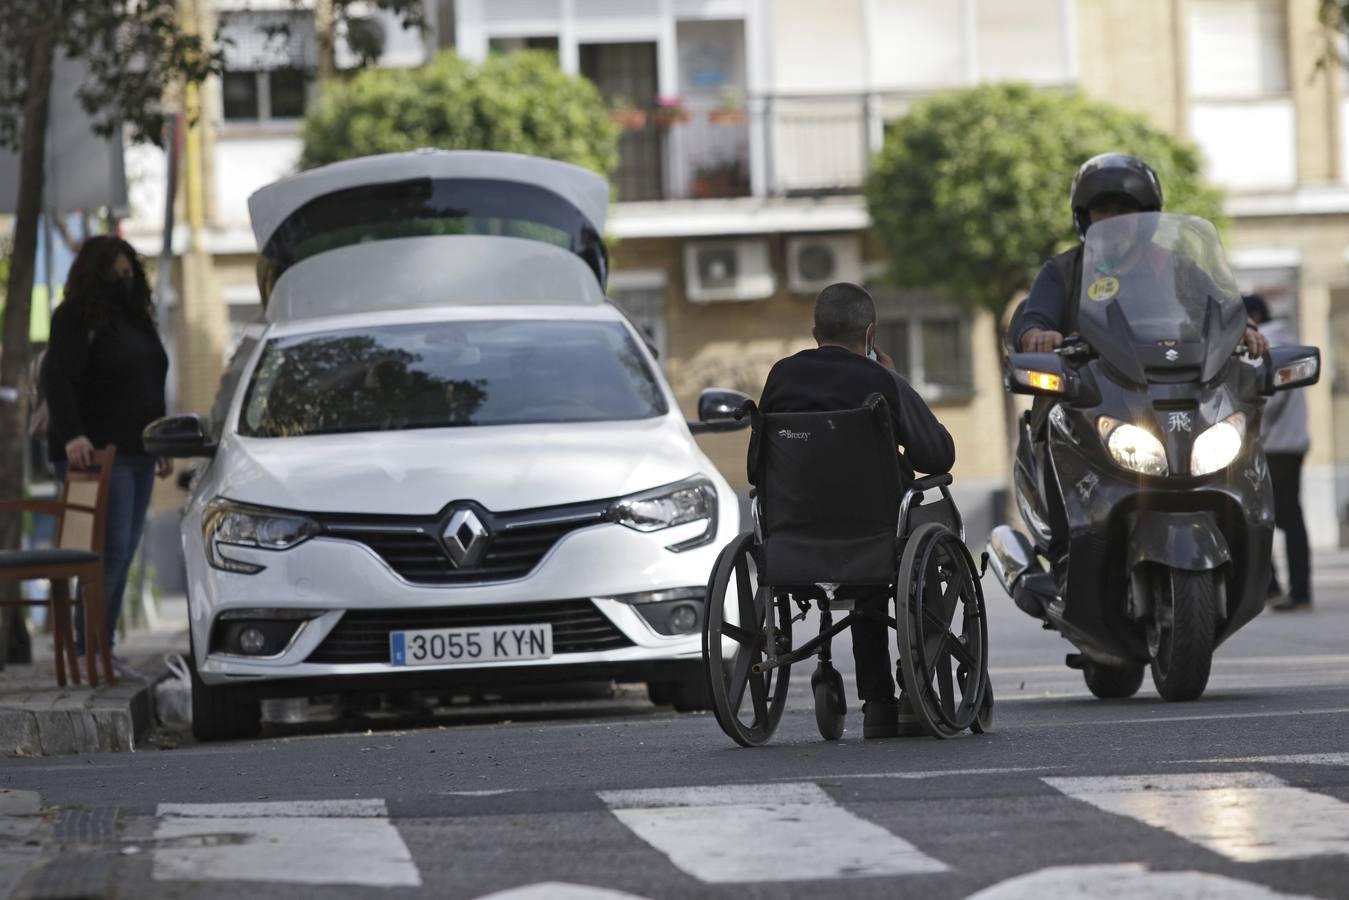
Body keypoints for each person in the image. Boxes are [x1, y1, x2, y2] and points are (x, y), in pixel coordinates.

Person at [756, 282, 956, 738]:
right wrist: (895, 380)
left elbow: (756, 467)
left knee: (880, 558)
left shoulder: (781, 379)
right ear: (871, 335)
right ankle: (906, 693)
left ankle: (879, 701)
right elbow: (937, 456)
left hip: (793, 535)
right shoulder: (879, 381)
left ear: (814, 332)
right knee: (920, 545)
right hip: (876, 538)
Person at [42, 236, 173, 675]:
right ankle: (89, 648)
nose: (125, 280)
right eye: (115, 272)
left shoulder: (137, 322)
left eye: (129, 271)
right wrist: (73, 436)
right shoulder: (75, 319)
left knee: (123, 552)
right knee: (104, 553)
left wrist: (161, 441)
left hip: (138, 453)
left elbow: (151, 382)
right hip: (94, 456)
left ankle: (102, 647)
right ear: (94, 274)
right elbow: (56, 381)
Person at [1015, 152, 1268, 360]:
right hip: (1086, 397)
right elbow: (1034, 319)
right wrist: (1038, 335)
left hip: (1175, 386)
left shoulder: (1176, 267)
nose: (1113, 221)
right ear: (1085, 217)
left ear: (1146, 218)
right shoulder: (1063, 271)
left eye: (1124, 211)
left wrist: (1246, 329)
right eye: (1103, 211)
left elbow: (1224, 308)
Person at [1245, 294, 1312, 612]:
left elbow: (1272, 397)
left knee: (1267, 516)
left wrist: (1248, 425)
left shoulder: (1267, 344)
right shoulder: (1283, 340)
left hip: (1274, 444)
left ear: (1254, 316)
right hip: (1290, 443)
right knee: (1285, 516)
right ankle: (1289, 589)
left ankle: (1285, 590)